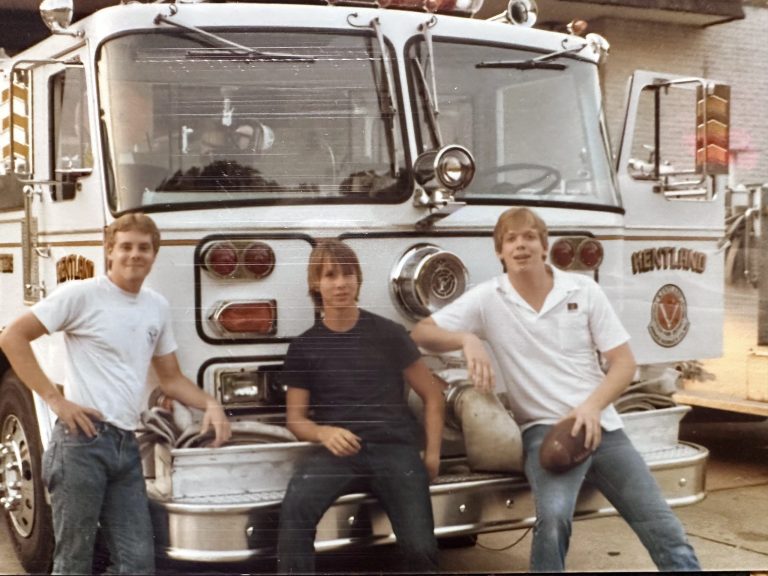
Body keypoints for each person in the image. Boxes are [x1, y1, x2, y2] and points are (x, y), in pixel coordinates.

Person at [410, 207, 701, 572]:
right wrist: (467, 338)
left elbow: (623, 363)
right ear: (499, 252)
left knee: (662, 525)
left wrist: (592, 407)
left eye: (529, 237)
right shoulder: (489, 299)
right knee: (553, 520)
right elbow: (420, 333)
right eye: (511, 239)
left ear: (544, 247)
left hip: (603, 427)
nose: (520, 245)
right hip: (545, 432)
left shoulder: (583, 289)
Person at [0, 213, 231, 575]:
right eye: (125, 247)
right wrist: (55, 399)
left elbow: (170, 378)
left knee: (137, 562)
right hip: (81, 445)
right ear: (109, 252)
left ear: (155, 255)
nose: (134, 255)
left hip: (126, 446)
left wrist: (211, 404)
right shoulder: (80, 295)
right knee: (74, 561)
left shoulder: (157, 306)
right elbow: (12, 337)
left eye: (143, 248)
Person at [276, 239, 444, 574]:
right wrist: (324, 433)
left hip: (394, 450)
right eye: (330, 275)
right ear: (316, 284)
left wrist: (433, 454)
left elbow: (433, 395)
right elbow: (295, 419)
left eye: (347, 274)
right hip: (338, 453)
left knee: (422, 550)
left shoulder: (390, 334)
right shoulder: (304, 347)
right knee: (295, 509)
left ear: (359, 279)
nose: (340, 283)